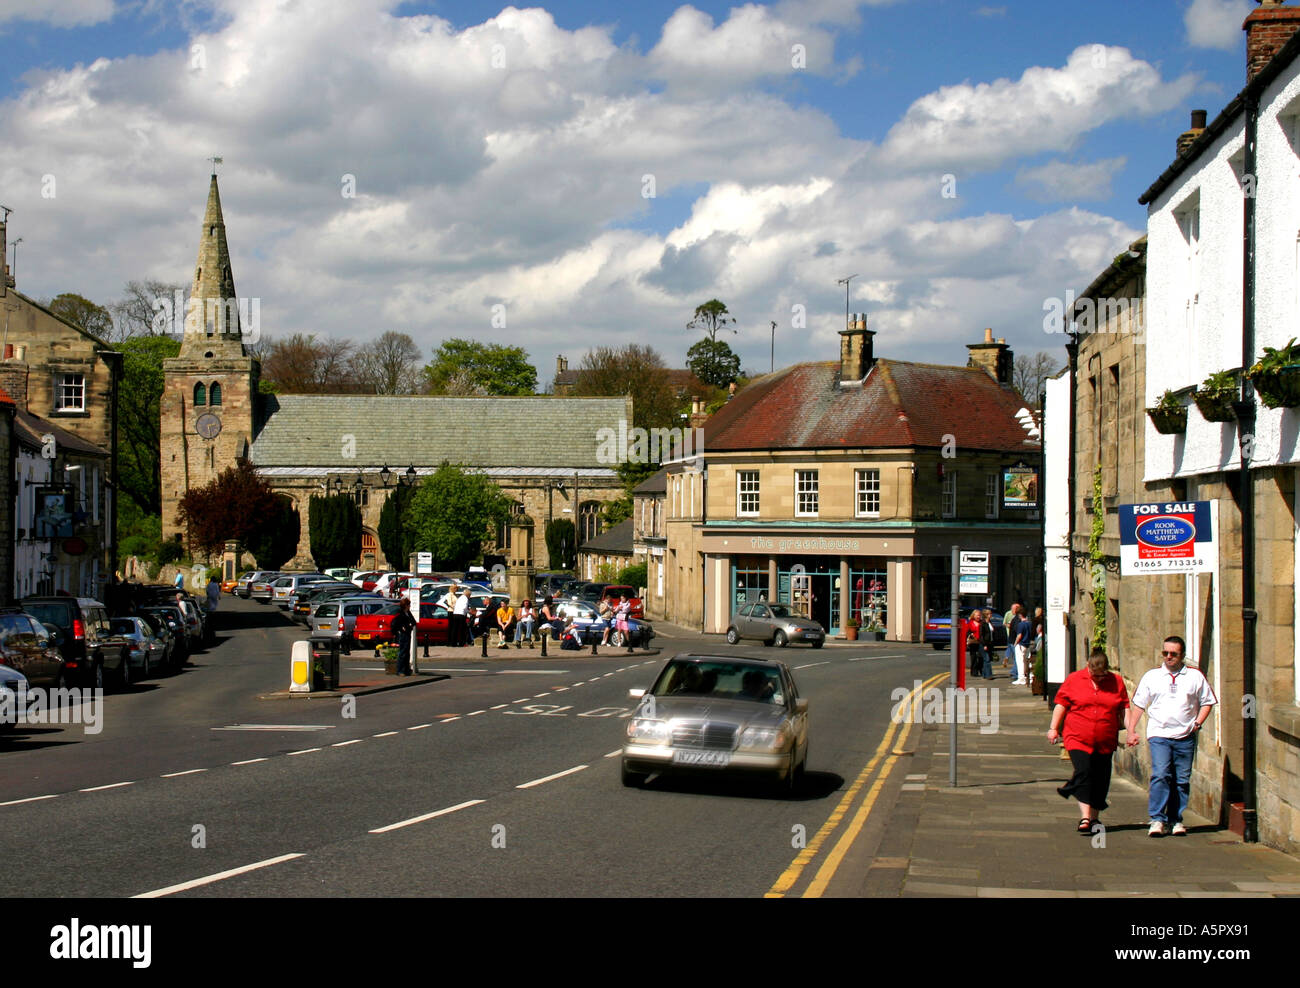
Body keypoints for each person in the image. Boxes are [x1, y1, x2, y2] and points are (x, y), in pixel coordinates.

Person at [1126, 635, 1218, 837]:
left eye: (1173, 654)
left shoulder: (1195, 677)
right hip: (1159, 734)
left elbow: (1208, 701)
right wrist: (1131, 730)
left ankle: (1175, 819)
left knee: (1182, 779)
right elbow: (1139, 705)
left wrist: (1197, 723)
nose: (1169, 657)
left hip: (1185, 735)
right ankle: (1157, 819)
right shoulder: (1152, 676)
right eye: (1165, 653)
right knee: (1161, 774)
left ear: (1182, 655)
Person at [1047, 648, 1129, 833]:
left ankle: (1094, 818)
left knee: (1101, 778)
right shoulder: (1074, 679)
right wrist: (1053, 728)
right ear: (1087, 666)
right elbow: (1061, 704)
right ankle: (1085, 817)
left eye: (1102, 676)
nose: (1098, 680)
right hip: (1077, 737)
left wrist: (1130, 731)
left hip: (1105, 738)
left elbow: (1124, 708)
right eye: (1094, 675)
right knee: (1084, 771)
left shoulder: (1115, 681)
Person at [391, 598, 416, 676]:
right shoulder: (400, 614)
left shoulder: (408, 613)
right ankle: (400, 670)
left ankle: (406, 669)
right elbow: (395, 624)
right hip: (403, 634)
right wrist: (402, 627)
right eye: (408, 605)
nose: (410, 606)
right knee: (402, 653)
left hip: (408, 633)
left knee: (407, 652)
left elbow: (413, 622)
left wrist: (410, 625)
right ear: (405, 605)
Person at [1002, 602, 1021, 670]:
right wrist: (1009, 626)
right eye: (1012, 609)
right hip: (1009, 634)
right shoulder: (1008, 614)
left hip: (1014, 636)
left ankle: (1007, 657)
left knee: (1010, 647)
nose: (1012, 610)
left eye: (1013, 609)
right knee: (1011, 648)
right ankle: (1014, 670)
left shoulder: (1018, 617)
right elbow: (1004, 623)